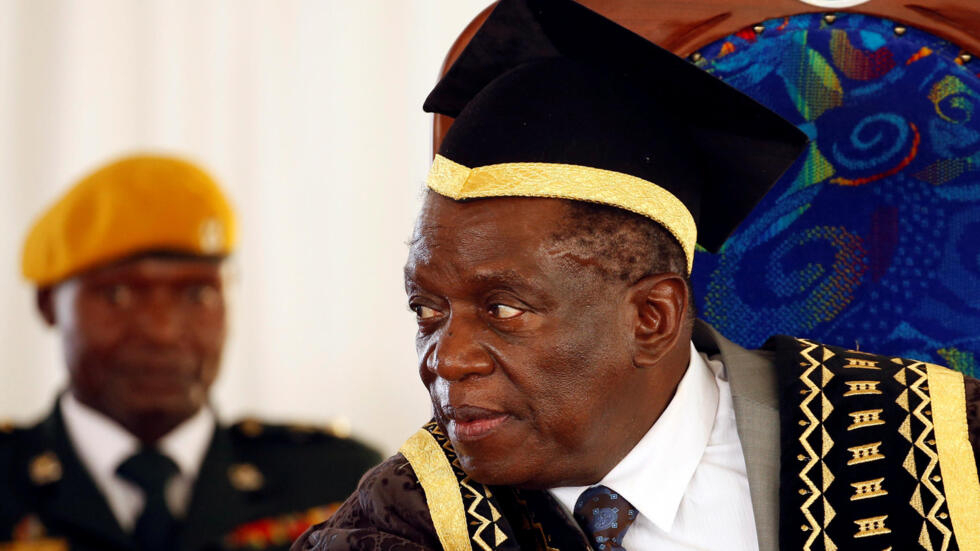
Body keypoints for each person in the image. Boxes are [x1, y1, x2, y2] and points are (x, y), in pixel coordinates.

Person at [293, 1, 980, 550]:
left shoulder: (932, 457)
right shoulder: (404, 519)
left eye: (501, 307)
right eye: (428, 308)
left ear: (652, 317)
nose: (445, 358)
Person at [1, 155, 381, 551]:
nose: (161, 332)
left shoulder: (340, 487)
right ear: (48, 304)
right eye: (117, 294)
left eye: (197, 293)